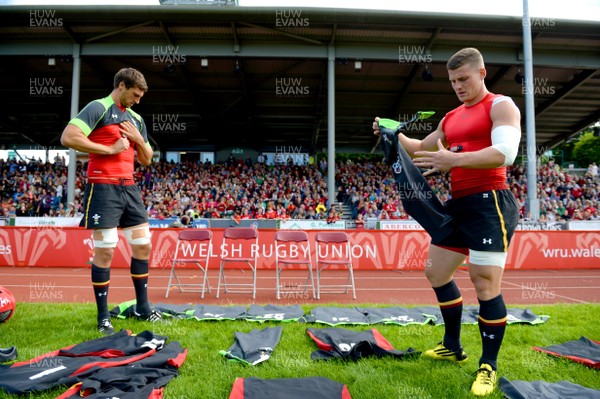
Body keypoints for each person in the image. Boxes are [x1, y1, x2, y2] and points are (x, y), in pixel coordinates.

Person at [373, 48, 520, 396]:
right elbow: (420, 148)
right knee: (436, 272)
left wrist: (455, 161)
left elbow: (506, 153)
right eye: (453, 81)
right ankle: (452, 346)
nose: (458, 86)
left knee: (484, 283)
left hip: (490, 203)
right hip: (457, 205)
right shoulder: (451, 118)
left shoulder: (501, 105)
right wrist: (392, 133)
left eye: (464, 79)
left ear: (482, 73)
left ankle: (489, 365)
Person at [60, 68, 161, 335]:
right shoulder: (98, 107)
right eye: (135, 94)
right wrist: (109, 149)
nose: (138, 100)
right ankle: (103, 317)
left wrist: (140, 141)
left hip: (129, 188)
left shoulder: (137, 119)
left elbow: (147, 159)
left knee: (143, 246)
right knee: (106, 250)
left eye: (141, 96)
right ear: (122, 85)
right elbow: (68, 137)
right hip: (103, 188)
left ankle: (143, 308)